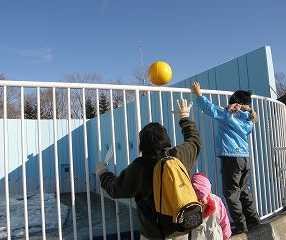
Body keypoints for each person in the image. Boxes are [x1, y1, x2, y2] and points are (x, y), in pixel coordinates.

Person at [96, 99, 201, 240]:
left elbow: (115, 189)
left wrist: (103, 172)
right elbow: (194, 141)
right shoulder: (179, 155)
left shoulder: (140, 167)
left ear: (142, 144)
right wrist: (184, 118)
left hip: (154, 234)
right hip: (182, 227)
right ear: (165, 138)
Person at [190, 81, 260, 234]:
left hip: (231, 158)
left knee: (231, 194)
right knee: (244, 191)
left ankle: (242, 228)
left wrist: (198, 94)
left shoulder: (228, 115)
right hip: (244, 158)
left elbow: (211, 109)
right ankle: (255, 222)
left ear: (234, 102)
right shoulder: (249, 119)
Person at [190, 172, 231, 240]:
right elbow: (224, 222)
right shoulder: (216, 200)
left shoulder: (190, 203)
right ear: (208, 186)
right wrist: (226, 236)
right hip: (215, 237)